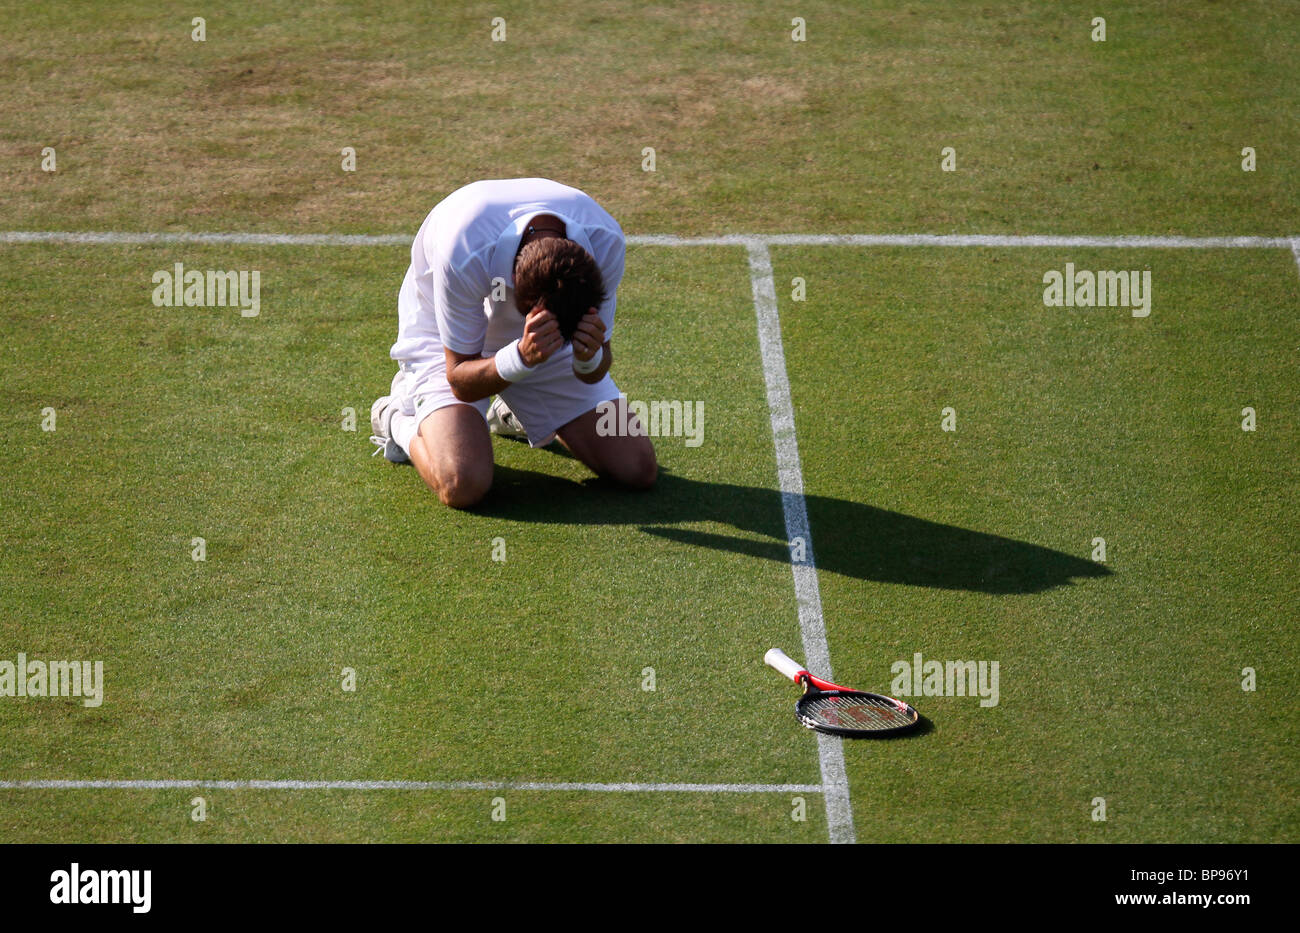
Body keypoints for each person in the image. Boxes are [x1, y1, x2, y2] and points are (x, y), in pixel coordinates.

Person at [370, 178, 657, 508]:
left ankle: (511, 412)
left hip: (539, 343)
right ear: (519, 300)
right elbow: (461, 379)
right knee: (462, 484)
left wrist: (587, 358)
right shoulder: (462, 248)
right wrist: (520, 358)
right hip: (443, 334)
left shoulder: (604, 244)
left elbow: (596, 366)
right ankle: (397, 419)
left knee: (637, 468)